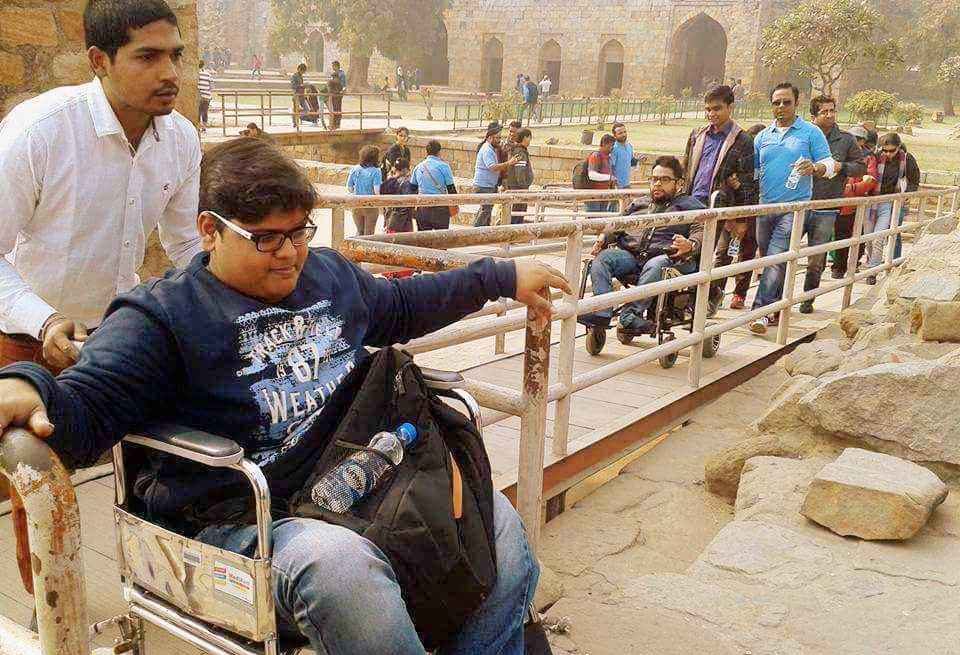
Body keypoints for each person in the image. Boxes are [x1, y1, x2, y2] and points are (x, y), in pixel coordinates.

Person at [0, 136, 572, 654]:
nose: (290, 253)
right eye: (265, 238)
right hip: (244, 518)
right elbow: (89, 401)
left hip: (359, 475)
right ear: (209, 230)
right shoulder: (163, 316)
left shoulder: (327, 275)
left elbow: (401, 308)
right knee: (340, 570)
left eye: (299, 231)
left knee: (495, 520)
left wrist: (499, 276)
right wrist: (27, 385)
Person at [0, 0, 202, 375]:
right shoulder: (39, 131)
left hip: (117, 340)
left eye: (175, 56)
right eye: (148, 57)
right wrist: (45, 321)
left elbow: (186, 242)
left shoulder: (182, 138)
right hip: (28, 344)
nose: (171, 74)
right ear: (99, 61)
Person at [748, 82, 837, 335]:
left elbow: (829, 164)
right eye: (776, 102)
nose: (781, 107)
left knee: (776, 260)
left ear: (796, 103)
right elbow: (755, 173)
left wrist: (815, 168)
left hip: (795, 209)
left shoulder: (810, 133)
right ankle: (774, 309)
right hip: (765, 207)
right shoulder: (763, 137)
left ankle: (760, 313)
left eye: (786, 102)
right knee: (772, 261)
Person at [578, 155, 705, 333]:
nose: (658, 184)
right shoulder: (640, 203)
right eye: (654, 179)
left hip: (667, 259)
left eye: (665, 179)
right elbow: (618, 224)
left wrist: (691, 244)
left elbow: (701, 231)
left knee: (657, 264)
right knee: (603, 258)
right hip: (632, 255)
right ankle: (602, 310)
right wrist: (604, 237)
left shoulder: (692, 207)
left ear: (679, 183)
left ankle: (630, 316)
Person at [683, 85, 758, 315]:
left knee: (718, 256)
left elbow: (747, 183)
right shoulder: (697, 135)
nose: (712, 114)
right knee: (689, 254)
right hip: (692, 204)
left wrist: (741, 217)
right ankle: (687, 301)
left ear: (730, 107)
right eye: (708, 109)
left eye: (717, 109)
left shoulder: (742, 140)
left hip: (721, 208)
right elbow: (686, 169)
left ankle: (709, 300)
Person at [800, 95, 866, 313]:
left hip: (826, 207)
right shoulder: (802, 136)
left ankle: (807, 299)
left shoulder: (846, 140)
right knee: (782, 254)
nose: (829, 115)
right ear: (813, 116)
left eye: (832, 110)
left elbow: (861, 167)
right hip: (797, 204)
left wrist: (841, 167)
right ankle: (774, 304)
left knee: (816, 259)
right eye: (824, 112)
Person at [862, 132, 920, 284]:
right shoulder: (874, 156)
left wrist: (907, 194)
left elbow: (914, 179)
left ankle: (873, 271)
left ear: (898, 147)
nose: (888, 154)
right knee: (868, 237)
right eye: (885, 150)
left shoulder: (907, 159)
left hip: (890, 202)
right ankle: (873, 261)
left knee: (879, 237)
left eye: (891, 151)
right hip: (870, 201)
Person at [832, 126, 878, 279]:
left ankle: (852, 264)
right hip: (839, 200)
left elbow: (871, 180)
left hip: (856, 203)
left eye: (858, 139)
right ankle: (838, 266)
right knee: (839, 235)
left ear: (863, 141)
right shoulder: (839, 154)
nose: (854, 142)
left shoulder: (868, 158)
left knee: (858, 235)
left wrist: (851, 188)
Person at [473, 123, 519, 227]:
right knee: (486, 210)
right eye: (497, 138)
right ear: (489, 138)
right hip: (484, 186)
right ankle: (474, 232)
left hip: (489, 185)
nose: (499, 140)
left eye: (500, 137)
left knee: (486, 210)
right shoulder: (486, 150)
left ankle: (481, 232)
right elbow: (492, 167)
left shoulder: (492, 148)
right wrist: (509, 163)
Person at [410, 140, 458, 230]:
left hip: (423, 207)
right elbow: (451, 189)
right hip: (440, 208)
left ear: (426, 151)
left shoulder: (418, 167)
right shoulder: (444, 166)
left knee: (423, 239)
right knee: (441, 238)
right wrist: (456, 204)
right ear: (439, 152)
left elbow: (412, 188)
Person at [347, 145, 383, 236]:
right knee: (369, 233)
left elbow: (350, 188)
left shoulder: (355, 169)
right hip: (370, 205)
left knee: (359, 231)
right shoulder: (376, 171)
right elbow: (376, 191)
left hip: (356, 204)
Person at [504, 128, 535, 224]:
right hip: (519, 189)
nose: (530, 141)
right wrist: (524, 186)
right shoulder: (520, 152)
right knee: (517, 216)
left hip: (517, 188)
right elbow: (520, 172)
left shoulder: (518, 150)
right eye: (529, 138)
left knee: (517, 215)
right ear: (525, 138)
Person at [585, 134, 617, 215]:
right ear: (604, 144)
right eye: (611, 145)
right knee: (593, 221)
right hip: (594, 196)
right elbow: (592, 175)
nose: (612, 148)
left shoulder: (608, 158)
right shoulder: (596, 156)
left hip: (604, 196)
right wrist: (609, 177)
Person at [382, 159, 415, 233]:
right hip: (402, 220)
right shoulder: (407, 182)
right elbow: (407, 202)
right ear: (405, 169)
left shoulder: (390, 180)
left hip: (390, 217)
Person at [610, 121, 641, 191]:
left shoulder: (629, 146)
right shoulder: (613, 149)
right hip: (616, 186)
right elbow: (610, 167)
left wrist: (638, 160)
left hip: (626, 184)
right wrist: (613, 184)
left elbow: (630, 163)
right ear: (615, 136)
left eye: (624, 132)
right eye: (620, 133)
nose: (623, 134)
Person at [198, 59, 213, 132]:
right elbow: (211, 86)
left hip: (199, 96)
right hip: (207, 96)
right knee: (205, 111)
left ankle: (197, 126)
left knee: (198, 111)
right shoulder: (208, 74)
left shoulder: (196, 74)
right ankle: (204, 127)